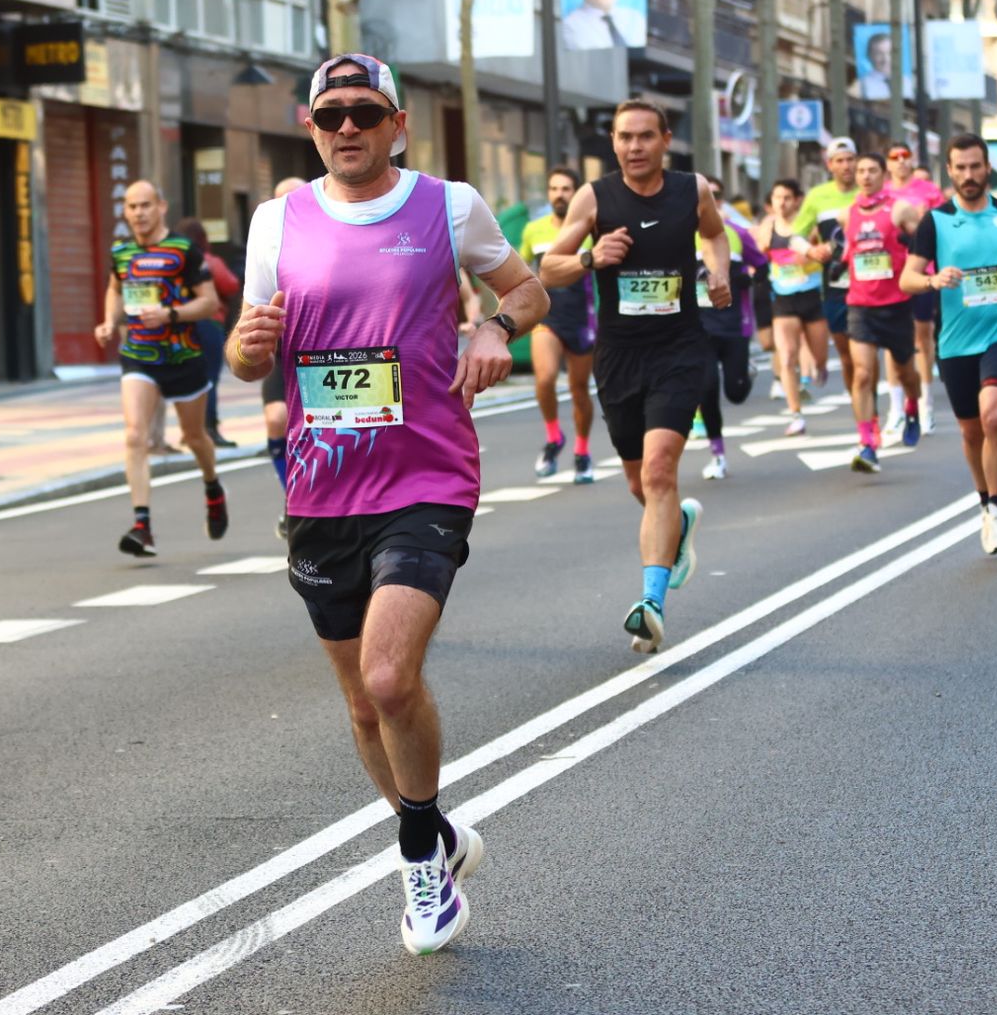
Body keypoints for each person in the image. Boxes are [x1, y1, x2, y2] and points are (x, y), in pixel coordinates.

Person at [229, 53, 548, 955]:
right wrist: (249, 349)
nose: (347, 128)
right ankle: (439, 831)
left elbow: (526, 287)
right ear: (311, 126)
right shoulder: (274, 222)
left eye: (365, 111)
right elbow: (252, 360)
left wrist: (494, 326)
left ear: (397, 123)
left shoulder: (448, 206)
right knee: (363, 706)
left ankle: (419, 864)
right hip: (322, 486)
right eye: (330, 114)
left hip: (427, 475)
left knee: (386, 675)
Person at [541, 99, 731, 654]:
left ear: (665, 139)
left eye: (645, 136)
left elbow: (715, 235)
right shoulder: (594, 197)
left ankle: (650, 603)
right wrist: (591, 258)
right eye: (625, 137)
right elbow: (548, 267)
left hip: (680, 348)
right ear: (614, 142)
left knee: (659, 470)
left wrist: (718, 271)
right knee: (640, 486)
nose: (634, 147)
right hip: (620, 355)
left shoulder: (692, 190)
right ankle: (679, 530)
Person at [900, 133, 997, 556]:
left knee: (993, 416)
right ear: (950, 170)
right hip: (956, 340)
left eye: (975, 166)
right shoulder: (936, 221)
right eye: (960, 167)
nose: (968, 175)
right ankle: (985, 501)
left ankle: (996, 510)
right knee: (970, 432)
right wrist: (932, 279)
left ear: (987, 169)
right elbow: (906, 278)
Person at [95, 179, 226, 557]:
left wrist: (169, 313)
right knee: (135, 434)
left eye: (145, 205)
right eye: (132, 206)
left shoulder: (183, 251)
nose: (138, 213)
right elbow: (115, 289)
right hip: (139, 354)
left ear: (161, 207)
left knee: (196, 437)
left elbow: (209, 303)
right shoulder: (121, 253)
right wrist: (108, 321)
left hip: (183, 356)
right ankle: (142, 525)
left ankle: (213, 487)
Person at [839, 152, 923, 472]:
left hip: (896, 303)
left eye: (872, 170)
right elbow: (848, 250)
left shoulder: (900, 209)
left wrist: (912, 247)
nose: (864, 176)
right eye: (860, 171)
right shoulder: (849, 214)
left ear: (883, 174)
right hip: (860, 303)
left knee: (905, 373)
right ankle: (867, 442)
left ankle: (912, 407)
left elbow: (922, 243)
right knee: (862, 373)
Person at [519, 165, 596, 482]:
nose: (558, 195)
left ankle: (582, 450)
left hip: (581, 318)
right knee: (546, 378)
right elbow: (522, 270)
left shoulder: (590, 230)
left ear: (576, 194)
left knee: (579, 390)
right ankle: (553, 437)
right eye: (553, 189)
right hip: (547, 316)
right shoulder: (533, 231)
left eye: (565, 189)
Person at [695, 173, 765, 479]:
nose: (710, 200)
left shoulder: (736, 233)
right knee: (706, 387)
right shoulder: (682, 236)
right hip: (698, 328)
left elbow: (762, 266)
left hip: (735, 324)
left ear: (722, 201)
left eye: (716, 194)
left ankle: (746, 373)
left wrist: (744, 280)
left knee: (735, 392)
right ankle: (718, 454)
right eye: (704, 194)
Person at [753, 179, 829, 435]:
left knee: (819, 356)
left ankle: (819, 367)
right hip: (783, 296)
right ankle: (796, 414)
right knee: (786, 356)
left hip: (811, 293)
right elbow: (760, 258)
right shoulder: (767, 226)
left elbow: (824, 247)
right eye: (777, 198)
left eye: (787, 197)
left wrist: (811, 253)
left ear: (797, 199)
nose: (781, 203)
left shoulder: (808, 223)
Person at [884, 141, 944, 435]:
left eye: (905, 156)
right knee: (890, 340)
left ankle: (926, 405)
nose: (900, 161)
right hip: (889, 277)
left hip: (922, 272)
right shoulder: (882, 194)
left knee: (923, 336)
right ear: (887, 163)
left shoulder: (929, 191)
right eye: (894, 157)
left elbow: (942, 227)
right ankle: (895, 408)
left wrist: (921, 220)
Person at [260, 177, 308, 540]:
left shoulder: (336, 235)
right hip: (281, 350)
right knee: (276, 417)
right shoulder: (265, 243)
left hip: (325, 352)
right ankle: (293, 498)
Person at [795, 138, 860, 395]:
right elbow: (795, 236)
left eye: (850, 159)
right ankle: (862, 414)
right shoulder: (817, 196)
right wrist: (811, 250)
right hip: (835, 284)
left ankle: (873, 415)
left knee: (864, 355)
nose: (846, 166)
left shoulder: (871, 190)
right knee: (847, 357)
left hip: (870, 284)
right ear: (829, 165)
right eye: (839, 161)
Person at [174, 217, 243, 448]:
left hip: (181, 325)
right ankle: (209, 429)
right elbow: (231, 285)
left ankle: (190, 430)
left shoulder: (174, 261)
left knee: (188, 377)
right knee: (209, 378)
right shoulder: (208, 261)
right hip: (208, 322)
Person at [858, 32, 894, 100]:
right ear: (869, 56)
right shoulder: (863, 85)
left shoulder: (907, 82)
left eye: (890, 53)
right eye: (879, 54)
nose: (886, 59)